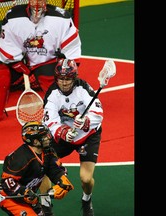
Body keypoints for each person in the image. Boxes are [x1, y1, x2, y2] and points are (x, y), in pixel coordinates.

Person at [0, 0, 81, 124]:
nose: (37, 5)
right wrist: (15, 62)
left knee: (59, 80)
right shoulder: (13, 16)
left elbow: (71, 46)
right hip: (21, 60)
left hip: (48, 60)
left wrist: (65, 64)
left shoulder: (62, 18)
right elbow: (8, 42)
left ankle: (64, 110)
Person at [40, 58, 104, 216]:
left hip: (88, 135)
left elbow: (98, 113)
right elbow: (49, 120)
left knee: (86, 179)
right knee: (42, 168)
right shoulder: (52, 93)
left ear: (74, 78)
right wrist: (62, 131)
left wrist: (86, 121)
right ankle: (45, 207)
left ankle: (86, 199)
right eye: (61, 79)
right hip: (64, 137)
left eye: (68, 79)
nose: (64, 82)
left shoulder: (84, 88)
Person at [0, 121, 74, 215]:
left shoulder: (47, 151)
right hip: (10, 197)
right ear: (35, 141)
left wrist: (62, 181)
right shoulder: (20, 157)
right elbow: (7, 182)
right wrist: (24, 192)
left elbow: (54, 169)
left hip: (30, 197)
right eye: (44, 136)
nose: (48, 138)